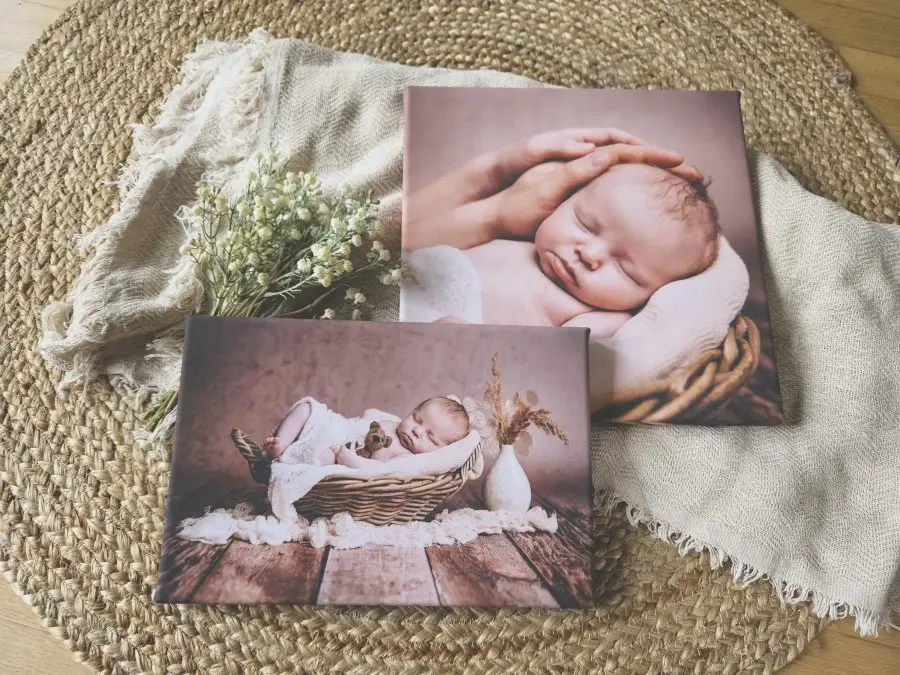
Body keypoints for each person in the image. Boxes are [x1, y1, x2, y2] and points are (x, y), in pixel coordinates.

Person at [231, 395, 471, 482]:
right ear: (411, 411)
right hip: (336, 427)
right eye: (418, 419)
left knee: (321, 463)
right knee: (307, 406)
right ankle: (280, 444)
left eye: (430, 437)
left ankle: (283, 465)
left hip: (336, 453)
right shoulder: (393, 422)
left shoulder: (406, 458)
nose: (417, 431)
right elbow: (363, 419)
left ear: (438, 451)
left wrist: (346, 457)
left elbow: (373, 471)